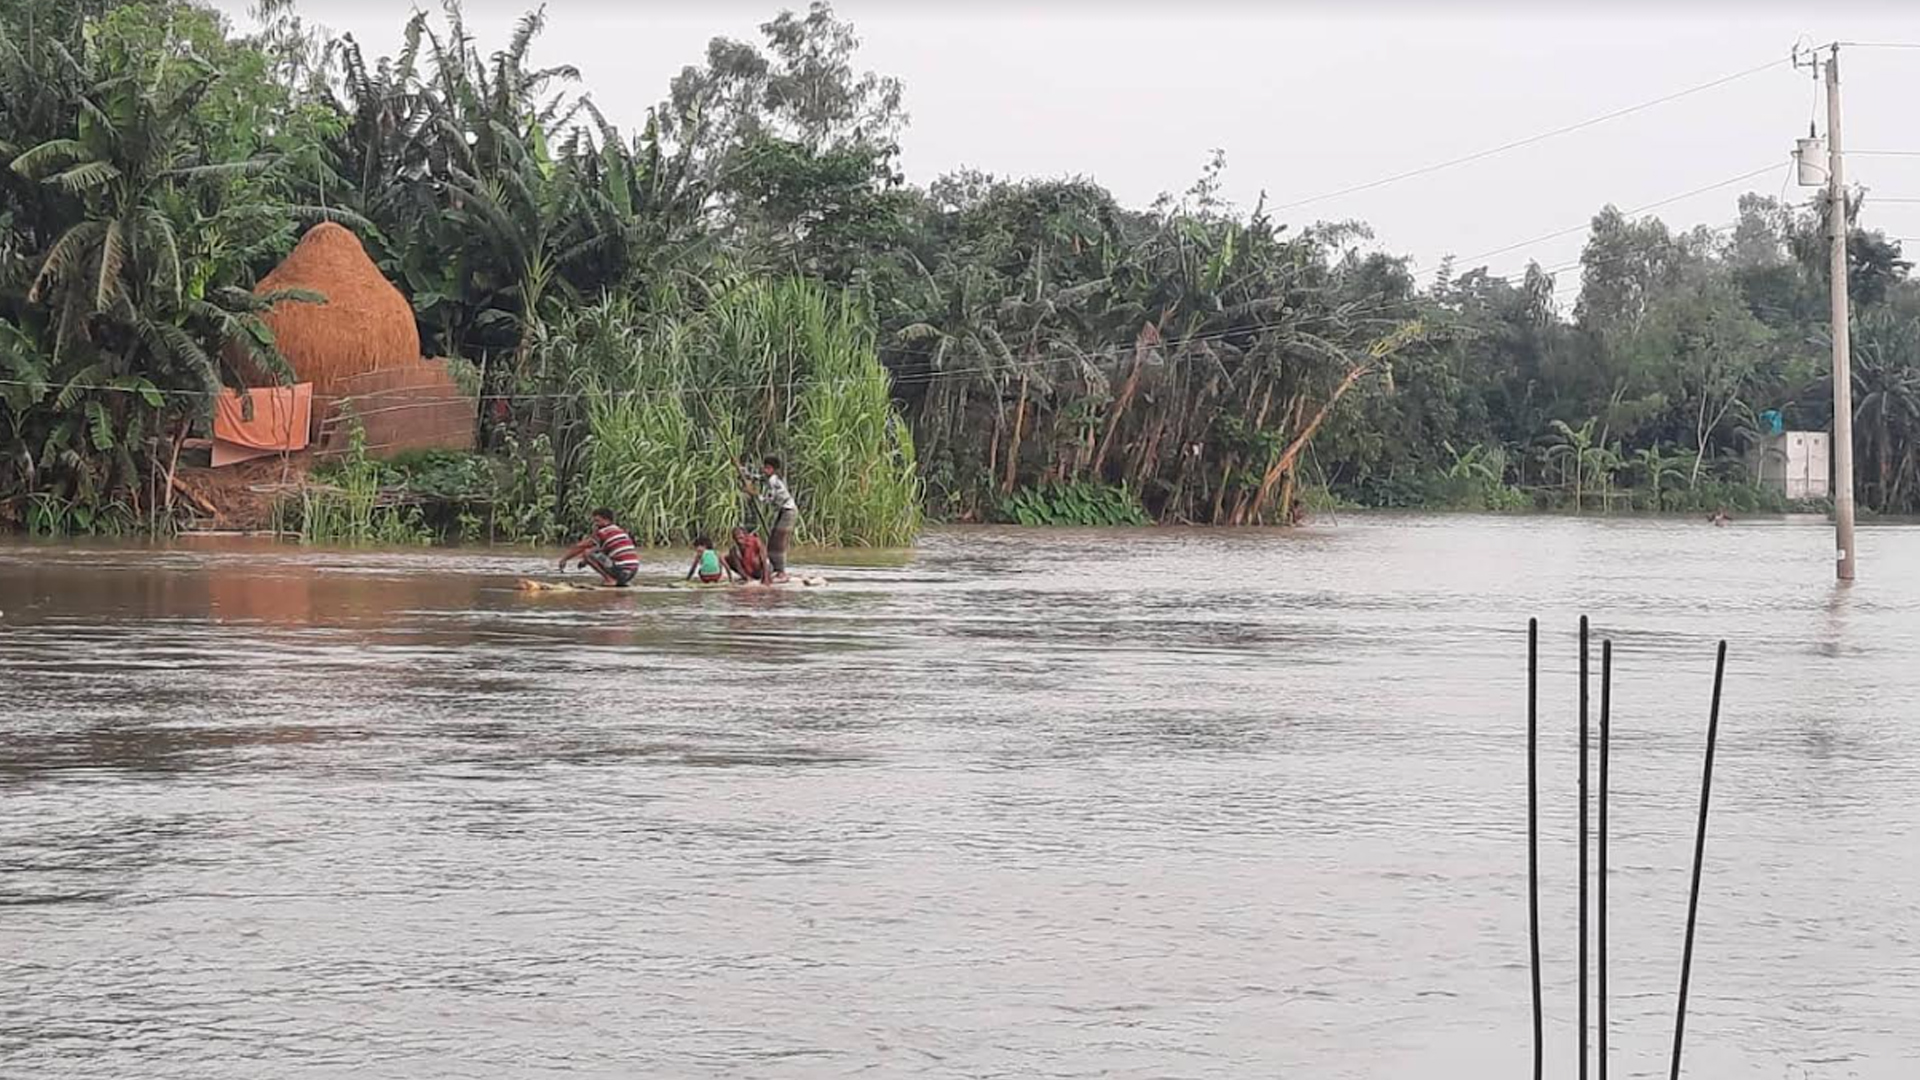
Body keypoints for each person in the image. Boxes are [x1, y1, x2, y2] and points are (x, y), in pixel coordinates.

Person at [748, 454, 798, 584]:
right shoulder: (769, 478)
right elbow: (759, 478)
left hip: (788, 511)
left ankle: (781, 572)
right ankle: (776, 569)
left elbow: (770, 499)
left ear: (773, 469)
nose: (765, 470)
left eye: (768, 468)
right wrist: (746, 474)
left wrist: (754, 494)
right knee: (772, 542)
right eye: (764, 467)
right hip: (783, 511)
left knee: (779, 543)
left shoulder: (774, 481)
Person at [559, 508, 640, 587]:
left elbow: (581, 547)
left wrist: (564, 559)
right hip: (632, 572)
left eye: (597, 521)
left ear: (607, 520)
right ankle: (620, 581)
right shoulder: (619, 530)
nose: (595, 524)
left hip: (621, 570)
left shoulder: (603, 532)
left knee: (587, 553)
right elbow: (602, 551)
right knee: (590, 553)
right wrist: (585, 561)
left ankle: (609, 580)